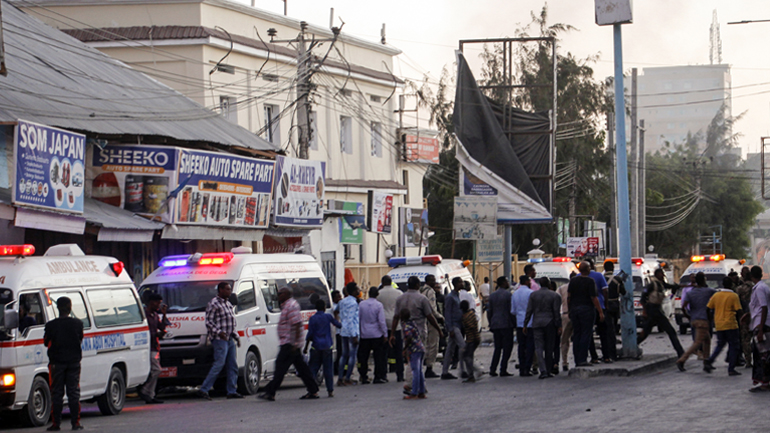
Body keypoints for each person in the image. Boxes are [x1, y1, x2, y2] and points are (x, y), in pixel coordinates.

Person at [259, 287, 320, 401]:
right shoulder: (287, 306)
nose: (278, 295)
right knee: (302, 369)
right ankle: (313, 390)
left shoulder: (291, 306)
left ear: (287, 294)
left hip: (289, 343)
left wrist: (295, 343)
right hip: (289, 343)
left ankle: (270, 392)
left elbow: (296, 324)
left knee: (280, 368)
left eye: (280, 294)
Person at [391, 276, 443, 393]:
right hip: (419, 332)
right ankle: (410, 384)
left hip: (405, 332)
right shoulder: (422, 299)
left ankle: (421, 386)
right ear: (417, 285)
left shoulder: (400, 299)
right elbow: (430, 316)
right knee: (415, 361)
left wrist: (392, 334)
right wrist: (438, 329)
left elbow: (396, 317)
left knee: (412, 359)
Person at [44, 297, 84, 431]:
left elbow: (46, 342)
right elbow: (80, 339)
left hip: (56, 363)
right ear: (70, 307)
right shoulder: (78, 324)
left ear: (58, 308)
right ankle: (75, 423)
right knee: (73, 393)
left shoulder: (51, 325)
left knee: (56, 394)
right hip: (74, 362)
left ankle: (56, 424)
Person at [198, 282, 242, 400]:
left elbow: (230, 323)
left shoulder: (228, 304)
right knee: (219, 364)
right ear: (220, 290)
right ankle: (204, 389)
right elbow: (209, 322)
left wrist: (236, 337)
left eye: (230, 289)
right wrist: (219, 332)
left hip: (229, 338)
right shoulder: (214, 303)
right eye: (227, 289)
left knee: (232, 365)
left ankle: (231, 391)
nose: (229, 292)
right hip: (219, 339)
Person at [638, 268, 685, 358]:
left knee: (648, 332)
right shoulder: (652, 285)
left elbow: (670, 286)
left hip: (657, 310)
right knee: (668, 331)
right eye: (661, 274)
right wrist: (645, 311)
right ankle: (680, 352)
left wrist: (682, 286)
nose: (663, 275)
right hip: (652, 311)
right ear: (657, 275)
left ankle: (680, 352)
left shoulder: (661, 284)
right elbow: (643, 298)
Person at [676, 272, 716, 371]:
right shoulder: (708, 291)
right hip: (703, 320)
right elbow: (718, 294)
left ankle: (706, 361)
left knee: (707, 340)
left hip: (694, 319)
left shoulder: (690, 293)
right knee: (697, 343)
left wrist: (687, 316)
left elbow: (684, 306)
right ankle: (682, 360)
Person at [524, 277, 562, 379]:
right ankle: (548, 370)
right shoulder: (555, 295)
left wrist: (525, 324)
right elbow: (556, 313)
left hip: (536, 323)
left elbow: (529, 310)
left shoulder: (533, 295)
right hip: (550, 323)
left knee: (539, 347)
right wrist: (559, 325)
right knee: (549, 348)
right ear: (549, 284)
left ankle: (543, 370)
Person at [568, 262, 604, 367]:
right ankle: (582, 359)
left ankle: (577, 359)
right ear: (588, 269)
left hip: (575, 310)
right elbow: (594, 298)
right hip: (587, 310)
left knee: (577, 334)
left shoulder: (573, 281)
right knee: (586, 334)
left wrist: (570, 310)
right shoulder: (590, 281)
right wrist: (600, 312)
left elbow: (569, 297)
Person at [304, 299, 342, 397]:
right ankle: (330, 390)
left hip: (316, 347)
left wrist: (306, 347)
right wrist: (337, 317)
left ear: (316, 308)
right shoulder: (328, 317)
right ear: (324, 308)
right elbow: (339, 325)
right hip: (327, 346)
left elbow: (310, 334)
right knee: (328, 369)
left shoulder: (312, 318)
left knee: (313, 369)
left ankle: (312, 390)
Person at [705, 281, 743, 376]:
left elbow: (708, 308)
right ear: (732, 285)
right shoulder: (734, 296)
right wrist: (742, 321)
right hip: (731, 324)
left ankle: (709, 361)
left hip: (719, 324)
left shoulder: (716, 295)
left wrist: (710, 319)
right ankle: (731, 368)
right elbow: (739, 310)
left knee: (720, 344)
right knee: (734, 346)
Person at [139, 292, 169, 404]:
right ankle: (145, 390)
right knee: (156, 370)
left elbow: (161, 326)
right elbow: (144, 332)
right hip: (148, 346)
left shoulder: (155, 315)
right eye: (158, 303)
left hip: (155, 346)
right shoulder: (144, 315)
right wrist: (156, 334)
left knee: (154, 370)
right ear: (151, 302)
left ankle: (150, 395)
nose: (159, 305)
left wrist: (164, 315)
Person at [744, 266, 770, 392]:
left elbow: (764, 307)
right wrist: (748, 315)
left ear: (751, 276)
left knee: (763, 355)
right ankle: (764, 380)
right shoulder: (763, 287)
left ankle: (765, 382)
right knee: (762, 354)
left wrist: (760, 330)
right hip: (760, 323)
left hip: (761, 325)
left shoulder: (759, 288)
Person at [358, 286, 388, 384]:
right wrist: (385, 334)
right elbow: (381, 321)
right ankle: (377, 376)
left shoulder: (362, 304)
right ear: (377, 295)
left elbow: (358, 318)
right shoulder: (378, 305)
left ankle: (363, 376)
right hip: (376, 334)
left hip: (364, 334)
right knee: (378, 357)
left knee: (363, 357)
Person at [377, 275, 404, 382]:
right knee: (398, 351)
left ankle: (383, 374)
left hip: (383, 325)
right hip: (396, 325)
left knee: (383, 352)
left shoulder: (379, 294)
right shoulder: (399, 293)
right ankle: (400, 375)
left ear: (382, 282)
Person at [487, 276, 514, 377]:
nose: (508, 283)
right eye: (507, 281)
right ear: (503, 283)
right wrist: (514, 323)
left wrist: (491, 323)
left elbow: (489, 311)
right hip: (506, 324)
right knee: (507, 348)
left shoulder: (492, 295)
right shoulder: (508, 295)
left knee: (497, 348)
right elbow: (511, 310)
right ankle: (503, 369)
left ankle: (493, 369)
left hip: (495, 324)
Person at [442, 277, 466, 380]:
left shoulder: (457, 296)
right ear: (456, 284)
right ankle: (464, 370)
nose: (462, 284)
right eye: (460, 282)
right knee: (463, 347)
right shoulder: (450, 297)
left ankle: (445, 372)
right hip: (454, 326)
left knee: (450, 349)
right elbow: (447, 313)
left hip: (458, 325)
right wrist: (450, 328)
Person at [420, 274, 444, 378]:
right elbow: (432, 309)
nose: (434, 282)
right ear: (428, 281)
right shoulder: (430, 292)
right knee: (433, 344)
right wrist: (440, 317)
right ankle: (429, 367)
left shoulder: (422, 290)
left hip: (423, 320)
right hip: (431, 320)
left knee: (426, 344)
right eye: (433, 280)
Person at [587, 259, 610, 363]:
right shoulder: (599, 276)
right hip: (599, 307)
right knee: (603, 333)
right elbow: (605, 290)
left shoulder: (578, 277)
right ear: (592, 266)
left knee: (589, 334)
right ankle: (606, 356)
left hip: (587, 309)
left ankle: (594, 357)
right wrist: (606, 304)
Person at [511, 275, 535, 376]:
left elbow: (513, 311)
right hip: (530, 323)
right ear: (526, 282)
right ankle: (527, 367)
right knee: (530, 346)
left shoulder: (515, 294)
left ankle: (522, 367)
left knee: (521, 346)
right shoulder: (531, 293)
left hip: (519, 323)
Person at [337, 282, 360, 386]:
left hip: (343, 331)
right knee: (352, 356)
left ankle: (340, 377)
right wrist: (354, 335)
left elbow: (338, 313)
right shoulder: (353, 303)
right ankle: (347, 378)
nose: (359, 291)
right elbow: (350, 320)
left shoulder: (342, 302)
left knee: (344, 355)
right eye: (357, 289)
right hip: (352, 331)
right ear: (353, 291)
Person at [401, 308, 426, 399]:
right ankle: (421, 391)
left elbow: (409, 337)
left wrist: (405, 348)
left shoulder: (406, 325)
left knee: (415, 371)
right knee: (419, 371)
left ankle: (414, 392)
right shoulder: (413, 323)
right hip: (420, 347)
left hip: (414, 349)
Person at [603, 261, 626, 361]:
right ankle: (612, 353)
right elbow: (623, 292)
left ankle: (607, 353)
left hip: (604, 306)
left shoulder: (601, 278)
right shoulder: (618, 279)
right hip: (615, 306)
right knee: (613, 330)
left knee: (605, 331)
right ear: (612, 268)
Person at [734, 267, 754, 368]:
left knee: (745, 339)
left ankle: (748, 361)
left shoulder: (740, 288)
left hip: (744, 316)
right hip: (756, 315)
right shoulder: (757, 287)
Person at [557, 273, 575, 371]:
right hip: (576, 315)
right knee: (579, 338)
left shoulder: (561, 288)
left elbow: (556, 301)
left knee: (564, 340)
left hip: (565, 314)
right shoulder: (580, 287)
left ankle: (564, 361)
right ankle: (579, 359)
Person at [460, 300, 480, 383]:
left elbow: (470, 327)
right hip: (475, 338)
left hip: (471, 339)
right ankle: (472, 374)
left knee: (467, 357)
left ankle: (474, 373)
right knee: (469, 356)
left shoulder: (465, 317)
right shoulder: (472, 313)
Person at [331, 290, 343, 375]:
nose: (340, 298)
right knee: (338, 351)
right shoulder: (334, 307)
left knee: (340, 351)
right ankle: (336, 368)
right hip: (336, 332)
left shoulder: (339, 305)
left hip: (339, 332)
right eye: (338, 297)